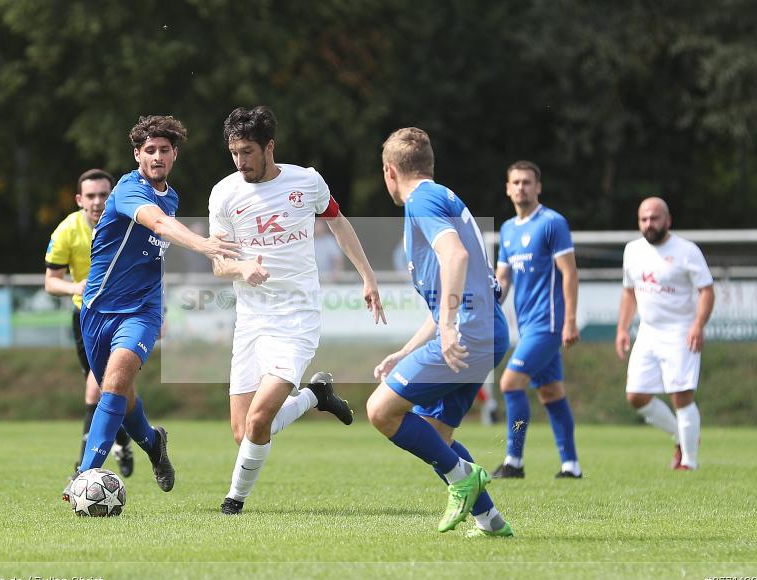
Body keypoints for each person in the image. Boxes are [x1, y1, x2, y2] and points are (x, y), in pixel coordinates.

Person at [208, 106, 386, 515]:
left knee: (257, 424)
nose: (240, 162)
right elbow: (219, 263)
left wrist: (367, 276)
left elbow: (339, 223)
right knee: (244, 432)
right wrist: (241, 267)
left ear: (269, 147)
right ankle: (315, 396)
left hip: (297, 318)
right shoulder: (224, 193)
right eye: (234, 152)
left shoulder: (306, 182)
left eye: (248, 152)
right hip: (251, 319)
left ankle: (233, 502)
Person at [62, 115, 239, 501]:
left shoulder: (170, 195)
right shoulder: (127, 190)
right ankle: (151, 441)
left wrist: (159, 309)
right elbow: (157, 224)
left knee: (115, 380)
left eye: (164, 150)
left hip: (141, 311)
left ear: (174, 154)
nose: (157, 156)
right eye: (150, 150)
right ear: (137, 154)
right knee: (121, 395)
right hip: (96, 310)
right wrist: (204, 244)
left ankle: (86, 472)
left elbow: (153, 254)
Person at [367, 127, 513, 536]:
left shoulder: (423, 200)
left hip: (469, 332)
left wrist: (449, 328)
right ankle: (490, 521)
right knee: (434, 435)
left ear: (389, 172)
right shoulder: (445, 196)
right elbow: (451, 289)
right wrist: (409, 349)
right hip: (485, 329)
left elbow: (455, 255)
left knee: (381, 411)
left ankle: (463, 478)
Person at [494, 160, 582, 479]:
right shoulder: (506, 229)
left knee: (510, 384)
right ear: (507, 188)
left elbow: (569, 273)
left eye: (527, 182)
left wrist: (570, 321)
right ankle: (571, 465)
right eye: (515, 182)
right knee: (551, 393)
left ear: (538, 187)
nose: (521, 187)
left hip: (549, 324)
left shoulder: (552, 223)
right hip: (527, 325)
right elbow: (503, 278)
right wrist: (486, 300)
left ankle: (513, 461)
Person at [44, 169, 134, 480]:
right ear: (80, 199)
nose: (97, 202)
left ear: (113, 196)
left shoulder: (127, 223)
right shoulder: (67, 231)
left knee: (99, 387)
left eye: (103, 195)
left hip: (124, 315)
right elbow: (51, 282)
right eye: (91, 196)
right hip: (86, 317)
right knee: (109, 387)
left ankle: (82, 469)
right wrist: (75, 287)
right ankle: (122, 441)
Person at [616, 197, 714, 470]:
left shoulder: (686, 250)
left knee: (681, 395)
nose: (649, 223)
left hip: (680, 331)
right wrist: (623, 328)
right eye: (644, 219)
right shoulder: (632, 251)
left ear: (668, 220)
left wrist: (697, 325)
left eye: (655, 218)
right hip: (647, 331)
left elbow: (707, 290)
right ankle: (682, 438)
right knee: (635, 396)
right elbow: (628, 292)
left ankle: (689, 463)